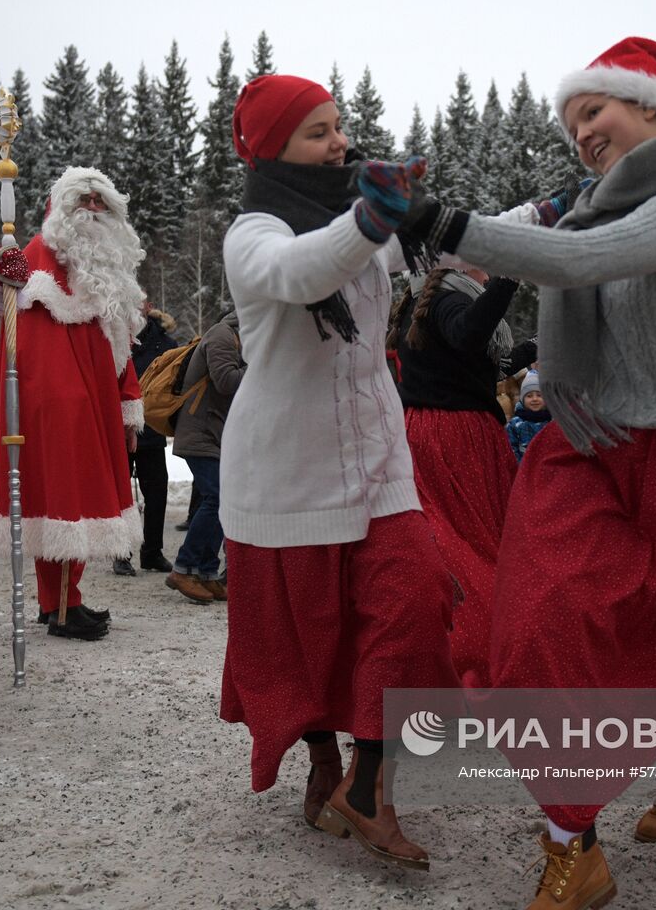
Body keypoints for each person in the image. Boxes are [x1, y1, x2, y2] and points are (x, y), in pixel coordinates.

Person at [394, 38, 656, 905]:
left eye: (595, 111)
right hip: (589, 445)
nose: (581, 131)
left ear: (655, 107)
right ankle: (571, 844)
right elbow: (542, 239)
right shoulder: (581, 209)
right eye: (572, 120)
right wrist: (399, 207)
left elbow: (582, 261)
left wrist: (440, 221)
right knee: (542, 625)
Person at [218, 74, 459, 871]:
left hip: (379, 456)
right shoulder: (252, 233)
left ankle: (368, 783)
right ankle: (325, 761)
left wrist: (549, 216)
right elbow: (302, 273)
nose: (341, 142)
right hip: (287, 470)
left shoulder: (361, 220)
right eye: (319, 131)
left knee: (416, 599)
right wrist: (366, 218)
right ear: (274, 146)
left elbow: (446, 241)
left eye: (340, 126)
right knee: (307, 638)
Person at [0, 167, 146, 641]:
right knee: (60, 501)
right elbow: (35, 349)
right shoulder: (37, 256)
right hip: (59, 403)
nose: (93, 211)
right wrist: (69, 404)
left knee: (70, 503)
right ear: (60, 209)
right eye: (84, 202)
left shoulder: (103, 272)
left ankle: (59, 601)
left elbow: (119, 345)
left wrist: (126, 404)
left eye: (102, 203)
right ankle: (60, 607)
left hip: (92, 400)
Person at [391, 263, 535, 685]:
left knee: (451, 543)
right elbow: (471, 335)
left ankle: (439, 662)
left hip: (432, 431)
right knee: (470, 549)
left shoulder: (426, 300)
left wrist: (540, 345)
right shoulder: (450, 299)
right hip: (456, 438)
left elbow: (482, 363)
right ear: (456, 263)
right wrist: (511, 273)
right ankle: (472, 658)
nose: (487, 275)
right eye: (484, 264)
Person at [165, 310, 243, 604]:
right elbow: (226, 380)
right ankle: (184, 568)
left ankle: (207, 572)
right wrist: (264, 366)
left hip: (215, 434)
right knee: (218, 498)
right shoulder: (222, 334)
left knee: (225, 501)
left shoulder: (239, 338)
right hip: (200, 433)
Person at [131, 301, 178, 573]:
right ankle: (121, 552)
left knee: (157, 490)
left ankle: (152, 551)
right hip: (119, 425)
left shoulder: (166, 343)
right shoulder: (113, 338)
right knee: (120, 496)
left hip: (151, 428)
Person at [506, 370, 550, 463]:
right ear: (522, 399)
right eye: (529, 396)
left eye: (539, 395)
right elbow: (511, 448)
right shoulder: (515, 424)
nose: (534, 399)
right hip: (524, 470)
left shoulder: (552, 422)